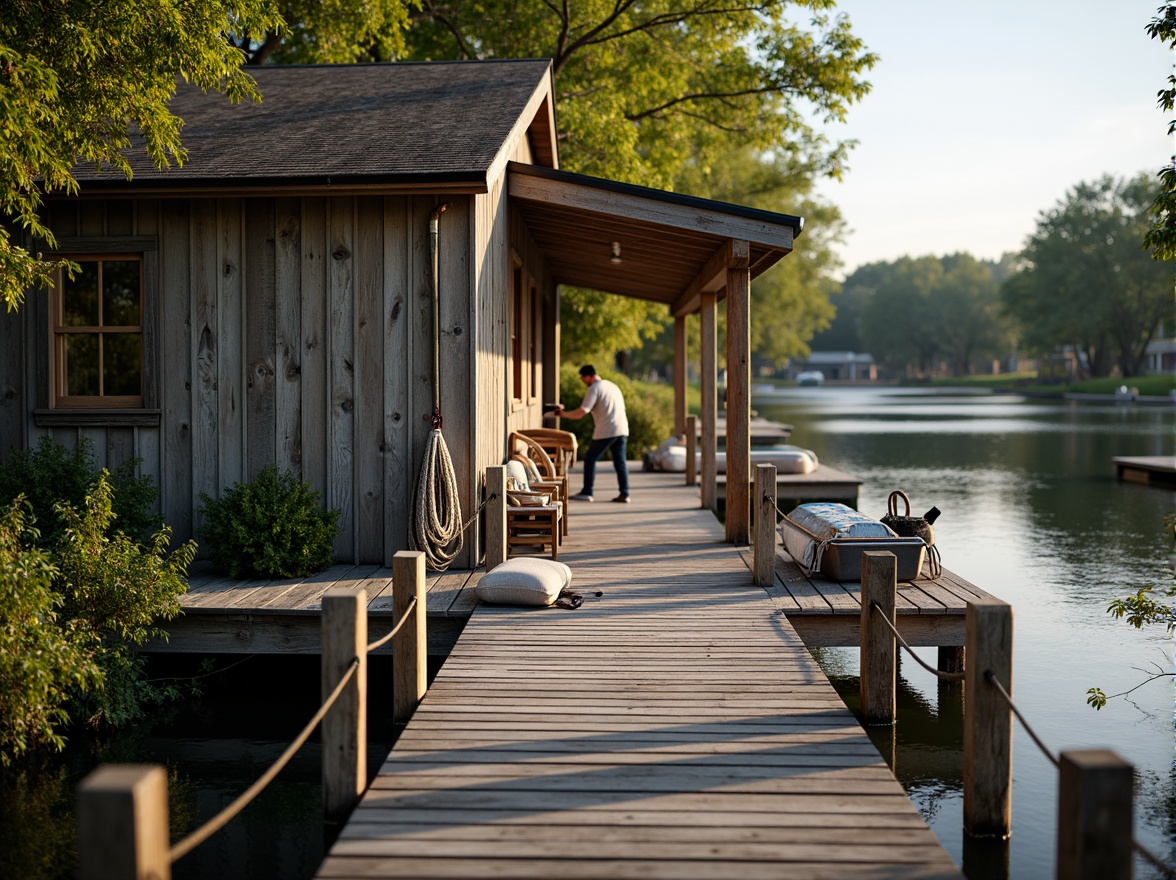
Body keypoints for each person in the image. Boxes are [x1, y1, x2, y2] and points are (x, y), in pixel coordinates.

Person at [554, 365, 630, 503]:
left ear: (589, 376)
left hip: (607, 430)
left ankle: (587, 492)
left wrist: (563, 414)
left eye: (582, 378)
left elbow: (582, 412)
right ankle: (624, 494)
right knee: (620, 462)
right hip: (622, 428)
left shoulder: (594, 388)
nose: (583, 381)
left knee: (590, 459)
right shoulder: (612, 386)